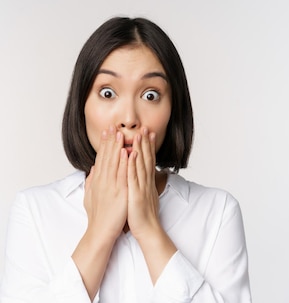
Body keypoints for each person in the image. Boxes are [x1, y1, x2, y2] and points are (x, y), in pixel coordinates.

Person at [0, 17, 251, 302]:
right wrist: (100, 231)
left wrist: (149, 229)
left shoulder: (217, 212)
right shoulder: (34, 211)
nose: (129, 119)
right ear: (81, 105)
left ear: (173, 110)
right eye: (107, 93)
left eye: (150, 95)